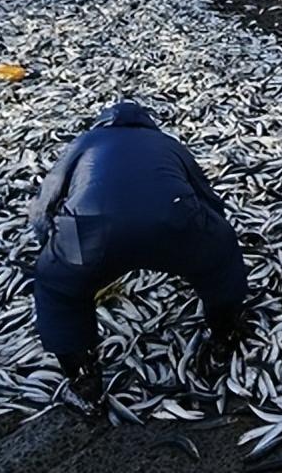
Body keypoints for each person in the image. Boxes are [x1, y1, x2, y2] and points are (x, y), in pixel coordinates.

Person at [28, 102, 248, 414]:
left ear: (103, 124)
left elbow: (44, 205)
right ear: (148, 125)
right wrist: (213, 238)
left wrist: (51, 251)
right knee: (219, 259)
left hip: (89, 232)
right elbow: (207, 197)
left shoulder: (85, 142)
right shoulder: (168, 143)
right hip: (173, 224)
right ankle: (224, 339)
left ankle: (84, 382)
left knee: (57, 289)